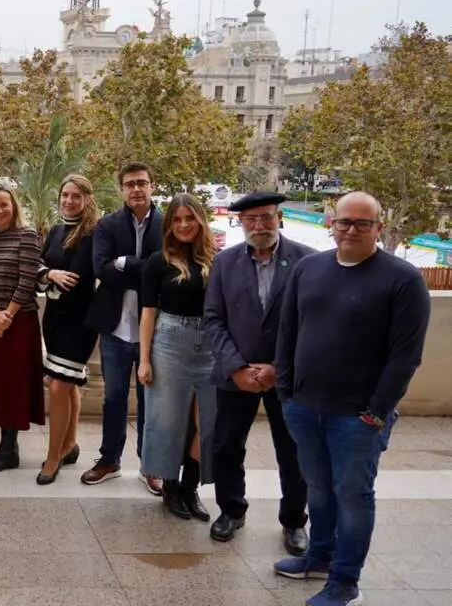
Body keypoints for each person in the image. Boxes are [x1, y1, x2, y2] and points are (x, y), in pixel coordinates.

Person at [274, 192, 430, 606]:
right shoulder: (308, 269)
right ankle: (320, 557)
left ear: (379, 227)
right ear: (332, 223)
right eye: (344, 221)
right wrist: (287, 393)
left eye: (363, 223)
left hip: (358, 417)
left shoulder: (402, 279)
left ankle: (345, 583)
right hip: (305, 407)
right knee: (318, 489)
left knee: (353, 496)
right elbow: (287, 333)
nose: (351, 230)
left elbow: (405, 355)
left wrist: (377, 412)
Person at [204, 191, 313, 555]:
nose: (259, 225)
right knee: (226, 447)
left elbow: (313, 324)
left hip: (289, 377)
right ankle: (232, 510)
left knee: (294, 452)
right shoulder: (224, 262)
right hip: (236, 376)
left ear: (279, 217)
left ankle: (295, 521)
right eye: (250, 219)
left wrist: (279, 369)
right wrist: (235, 367)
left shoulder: (307, 261)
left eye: (266, 217)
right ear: (240, 223)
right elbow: (213, 320)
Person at [82, 162, 163, 495]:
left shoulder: (169, 223)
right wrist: (146, 268)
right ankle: (109, 460)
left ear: (152, 185)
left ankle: (151, 465)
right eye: (129, 184)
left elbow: (169, 268)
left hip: (157, 330)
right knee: (113, 397)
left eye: (141, 183)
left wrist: (125, 263)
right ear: (121, 189)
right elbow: (101, 267)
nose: (136, 189)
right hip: (115, 327)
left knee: (151, 401)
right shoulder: (107, 225)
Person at [137, 193, 218, 522]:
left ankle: (190, 487)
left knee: (207, 423)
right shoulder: (158, 261)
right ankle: (170, 487)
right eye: (178, 219)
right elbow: (147, 313)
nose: (184, 225)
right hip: (169, 342)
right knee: (167, 420)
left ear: (200, 220)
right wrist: (144, 360)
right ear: (169, 224)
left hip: (210, 345)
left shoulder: (217, 260)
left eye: (190, 218)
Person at [0, 183, 44, 472]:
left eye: (4, 204)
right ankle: (5, 447)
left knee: (13, 386)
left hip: (19, 324)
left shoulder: (27, 236)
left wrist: (7, 317)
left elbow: (27, 281)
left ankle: (9, 449)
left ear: (13, 205)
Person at [35, 175, 99, 485]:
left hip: (81, 320)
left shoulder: (94, 233)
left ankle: (53, 456)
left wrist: (53, 275)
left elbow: (78, 277)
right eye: (65, 194)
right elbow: (39, 267)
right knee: (69, 384)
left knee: (59, 386)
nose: (69, 200)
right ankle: (70, 443)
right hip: (54, 319)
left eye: (76, 196)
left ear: (87, 198)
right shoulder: (57, 230)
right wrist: (49, 273)